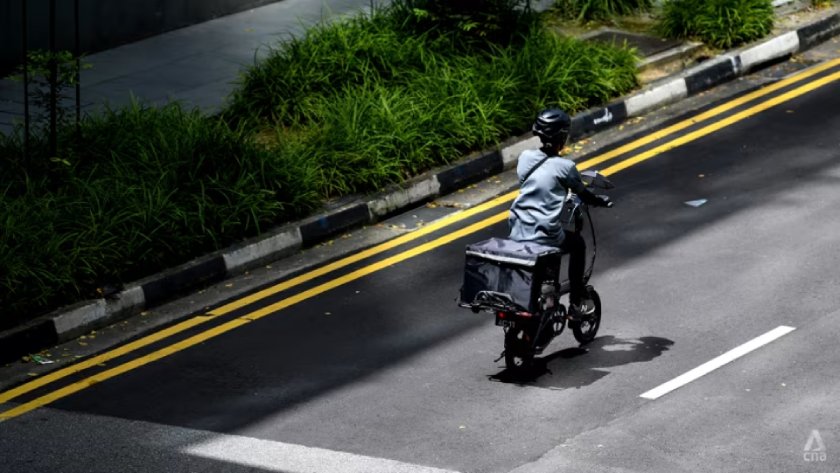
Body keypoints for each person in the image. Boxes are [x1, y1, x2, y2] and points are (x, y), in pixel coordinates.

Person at [508, 108, 611, 319]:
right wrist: (600, 201)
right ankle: (576, 301)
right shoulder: (565, 167)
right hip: (545, 234)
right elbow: (583, 192)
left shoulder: (525, 158)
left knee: (552, 245)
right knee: (577, 244)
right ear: (562, 137)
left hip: (517, 228)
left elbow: (538, 186)